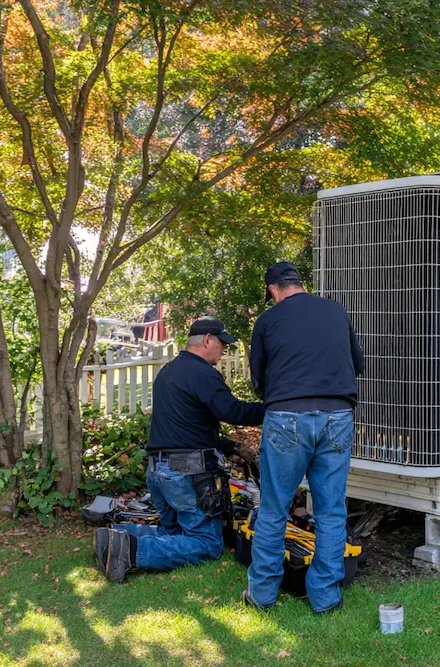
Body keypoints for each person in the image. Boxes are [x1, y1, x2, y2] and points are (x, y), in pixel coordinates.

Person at [94, 317, 266, 584]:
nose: (224, 350)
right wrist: (275, 408)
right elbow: (233, 411)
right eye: (222, 343)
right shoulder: (203, 374)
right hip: (186, 472)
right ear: (207, 340)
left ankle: (115, 535)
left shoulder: (169, 371)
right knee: (207, 544)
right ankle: (131, 551)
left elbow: (187, 428)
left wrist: (232, 447)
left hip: (157, 470)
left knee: (172, 533)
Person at [244, 261, 365, 614]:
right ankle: (325, 598)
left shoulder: (267, 321)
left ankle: (262, 595)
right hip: (337, 415)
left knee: (273, 508)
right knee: (330, 511)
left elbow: (259, 381)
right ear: (299, 283)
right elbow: (357, 364)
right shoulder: (336, 310)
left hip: (286, 417)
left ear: (273, 290)